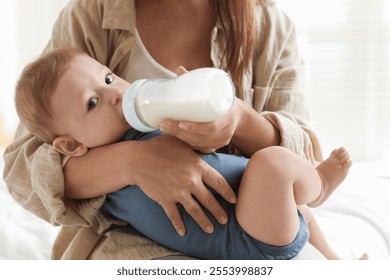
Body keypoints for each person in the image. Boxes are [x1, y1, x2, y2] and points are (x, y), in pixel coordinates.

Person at [3, 0, 326, 259]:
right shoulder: (93, 13)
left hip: (249, 224)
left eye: (109, 78)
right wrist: (132, 162)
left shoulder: (269, 26)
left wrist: (239, 120)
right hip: (126, 243)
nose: (115, 92)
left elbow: (304, 159)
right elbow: (22, 169)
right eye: (93, 101)